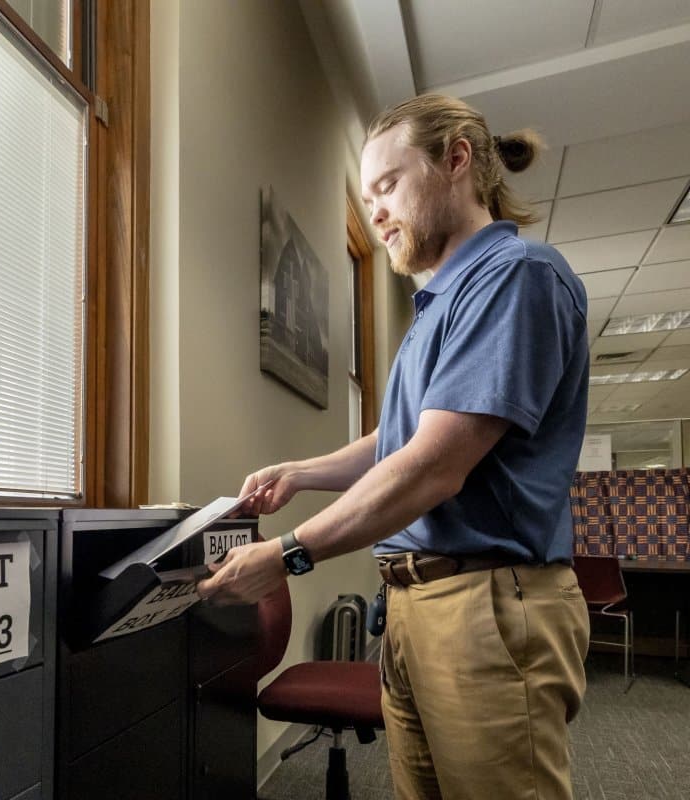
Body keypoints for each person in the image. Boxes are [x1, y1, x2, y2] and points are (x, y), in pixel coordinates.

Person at [196, 93, 591, 800]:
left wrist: (288, 553)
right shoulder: (436, 306)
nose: (376, 211)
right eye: (368, 196)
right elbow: (399, 440)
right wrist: (302, 471)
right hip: (415, 604)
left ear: (456, 161)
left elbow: (433, 465)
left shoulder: (515, 277)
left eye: (389, 185)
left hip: (486, 604)